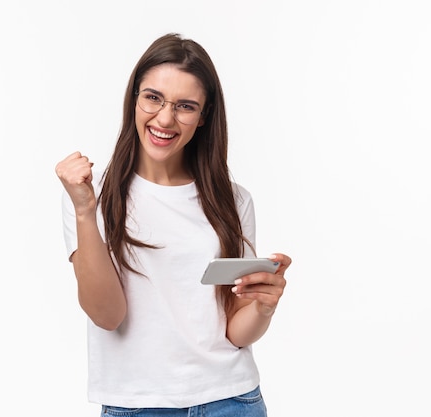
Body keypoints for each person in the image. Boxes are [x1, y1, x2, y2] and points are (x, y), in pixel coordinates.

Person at [55, 32, 292, 417]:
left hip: (232, 401)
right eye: (153, 97)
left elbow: (234, 331)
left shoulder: (233, 199)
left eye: (185, 106)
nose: (165, 118)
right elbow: (106, 315)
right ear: (134, 98)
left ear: (203, 116)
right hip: (137, 406)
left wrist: (264, 306)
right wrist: (85, 212)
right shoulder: (91, 195)